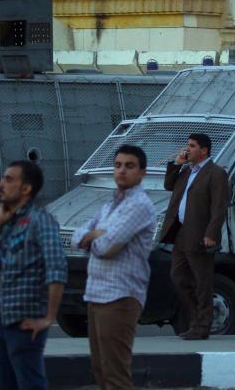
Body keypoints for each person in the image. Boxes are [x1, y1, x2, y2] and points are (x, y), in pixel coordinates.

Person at [0, 160, 66, 390]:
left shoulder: (40, 220)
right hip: (2, 320)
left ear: (26, 189)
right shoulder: (6, 222)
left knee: (30, 384)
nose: (1, 184)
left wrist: (48, 318)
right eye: (3, 178)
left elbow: (57, 268)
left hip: (26, 322)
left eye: (9, 179)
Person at [72, 144, 156, 390]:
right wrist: (91, 235)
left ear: (143, 172)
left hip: (120, 296)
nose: (121, 171)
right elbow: (77, 237)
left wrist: (92, 237)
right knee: (100, 370)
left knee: (115, 374)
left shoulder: (139, 205)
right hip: (97, 294)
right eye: (117, 165)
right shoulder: (110, 206)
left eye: (129, 166)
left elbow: (107, 247)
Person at [159, 133, 229, 340]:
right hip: (180, 233)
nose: (187, 149)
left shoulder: (216, 173)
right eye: (187, 145)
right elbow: (168, 186)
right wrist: (176, 164)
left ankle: (202, 326)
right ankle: (197, 318)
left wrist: (211, 233)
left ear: (204, 150)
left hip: (199, 235)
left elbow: (219, 206)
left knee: (202, 282)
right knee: (178, 278)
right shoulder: (186, 171)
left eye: (191, 146)